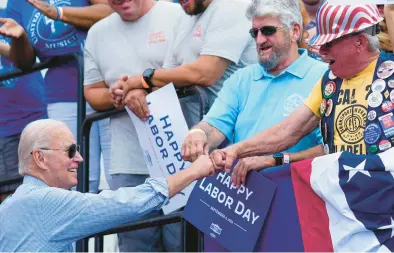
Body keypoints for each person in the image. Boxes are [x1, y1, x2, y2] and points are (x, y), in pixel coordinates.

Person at [209, 2, 391, 172]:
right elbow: (286, 131)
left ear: (360, 42)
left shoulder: (389, 75)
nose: (322, 52)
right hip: (343, 197)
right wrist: (235, 151)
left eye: (329, 44)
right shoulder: (329, 81)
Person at [0, 119, 218, 252]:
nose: (79, 158)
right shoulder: (44, 202)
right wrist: (193, 172)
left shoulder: (9, 206)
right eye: (70, 150)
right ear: (39, 158)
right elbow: (124, 204)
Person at [180, 0, 327, 187]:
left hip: (299, 195)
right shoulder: (242, 78)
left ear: (295, 31)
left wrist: (276, 160)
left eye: (268, 31)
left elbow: (330, 149)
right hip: (245, 198)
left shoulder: (323, 77)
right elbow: (215, 126)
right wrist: (198, 134)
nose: (259, 40)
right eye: (254, 32)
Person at [83, 0, 185, 251]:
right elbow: (92, 92)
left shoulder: (177, 15)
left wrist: (141, 87)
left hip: (181, 157)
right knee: (135, 245)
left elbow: (194, 73)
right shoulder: (97, 32)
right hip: (127, 162)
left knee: (183, 243)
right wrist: (117, 96)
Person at [0, 0, 113, 193]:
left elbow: (111, 12)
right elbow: (25, 63)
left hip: (110, 85)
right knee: (77, 184)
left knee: (119, 175)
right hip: (62, 97)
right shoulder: (17, 3)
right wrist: (19, 39)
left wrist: (58, 13)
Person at [111, 0, 256, 129]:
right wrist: (135, 90)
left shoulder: (233, 6)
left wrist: (143, 80)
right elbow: (165, 78)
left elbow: (206, 73)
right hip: (203, 135)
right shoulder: (184, 18)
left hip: (239, 132)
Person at [0, 8, 47, 203]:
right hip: (6, 130)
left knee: (33, 196)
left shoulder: (13, 14)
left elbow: (27, 57)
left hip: (30, 122)